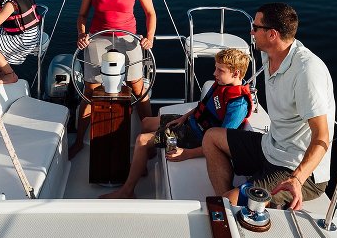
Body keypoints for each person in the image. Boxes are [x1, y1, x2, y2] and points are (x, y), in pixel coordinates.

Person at [202, 2, 336, 210]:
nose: (251, 31)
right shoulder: (269, 54)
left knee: (225, 204)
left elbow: (322, 137)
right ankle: (232, 209)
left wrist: (297, 179)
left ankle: (230, 206)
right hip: (271, 146)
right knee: (211, 137)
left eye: (256, 28)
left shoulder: (307, 72)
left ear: (272, 34)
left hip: (297, 168)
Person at [100, 48, 252, 199]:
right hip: (189, 124)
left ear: (236, 73)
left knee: (142, 140)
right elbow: (202, 107)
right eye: (216, 68)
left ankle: (127, 192)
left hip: (195, 138)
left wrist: (187, 154)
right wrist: (183, 117)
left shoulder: (238, 104)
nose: (214, 73)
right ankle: (143, 163)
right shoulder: (221, 85)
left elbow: (221, 142)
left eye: (220, 70)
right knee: (146, 122)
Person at [68, 0, 157, 160]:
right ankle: (79, 141)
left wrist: (149, 38)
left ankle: (151, 142)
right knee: (90, 90)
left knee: (138, 88)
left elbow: (150, 13)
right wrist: (82, 34)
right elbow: (82, 14)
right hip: (98, 38)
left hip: (128, 39)